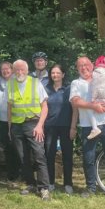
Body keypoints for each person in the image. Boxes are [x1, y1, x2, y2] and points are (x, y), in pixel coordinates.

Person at [71, 56, 105, 200]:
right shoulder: (76, 83)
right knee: (88, 159)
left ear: (92, 65)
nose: (84, 68)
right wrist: (93, 106)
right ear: (77, 68)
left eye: (86, 64)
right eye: (80, 66)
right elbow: (75, 101)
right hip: (88, 126)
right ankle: (91, 188)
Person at [8, 59, 51, 201]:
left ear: (27, 71)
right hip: (17, 125)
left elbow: (44, 106)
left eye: (22, 69)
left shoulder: (35, 82)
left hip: (33, 123)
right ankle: (31, 183)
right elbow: (9, 107)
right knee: (23, 157)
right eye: (17, 70)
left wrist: (40, 125)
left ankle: (44, 188)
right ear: (14, 71)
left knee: (39, 155)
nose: (20, 72)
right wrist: (9, 127)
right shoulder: (11, 84)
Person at [44, 64, 74, 194]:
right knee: (49, 154)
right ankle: (50, 182)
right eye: (52, 73)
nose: (55, 75)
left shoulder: (69, 89)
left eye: (57, 73)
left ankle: (68, 183)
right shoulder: (46, 89)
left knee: (67, 155)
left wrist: (73, 127)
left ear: (63, 74)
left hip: (66, 126)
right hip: (50, 126)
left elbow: (75, 109)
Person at [0, 61, 20, 181]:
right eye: (3, 69)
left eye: (7, 69)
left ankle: (19, 172)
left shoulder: (18, 81)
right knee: (7, 147)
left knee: (17, 147)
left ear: (12, 70)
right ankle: (11, 174)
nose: (5, 71)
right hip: (2, 120)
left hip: (16, 120)